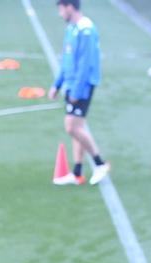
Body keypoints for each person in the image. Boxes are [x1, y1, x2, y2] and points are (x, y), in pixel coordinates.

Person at [52, 0, 108, 185]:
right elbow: (67, 59)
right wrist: (57, 84)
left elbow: (85, 64)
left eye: (61, 9)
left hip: (81, 86)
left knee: (72, 127)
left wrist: (76, 90)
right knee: (77, 128)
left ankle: (100, 163)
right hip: (71, 84)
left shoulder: (86, 30)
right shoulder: (72, 29)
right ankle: (77, 173)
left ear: (69, 7)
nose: (60, 14)